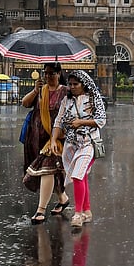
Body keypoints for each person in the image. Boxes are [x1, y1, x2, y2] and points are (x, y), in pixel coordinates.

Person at [54, 70, 106, 229]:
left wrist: (81, 123)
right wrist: (53, 139)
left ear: (84, 84)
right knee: (80, 177)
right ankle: (87, 211)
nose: (72, 87)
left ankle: (78, 214)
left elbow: (101, 120)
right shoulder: (66, 101)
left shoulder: (93, 99)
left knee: (77, 175)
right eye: (69, 84)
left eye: (75, 84)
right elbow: (58, 120)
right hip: (71, 144)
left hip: (88, 143)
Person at [20, 62, 69, 224]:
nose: (48, 76)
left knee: (47, 168)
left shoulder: (65, 92)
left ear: (59, 73)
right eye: (46, 73)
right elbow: (25, 103)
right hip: (36, 137)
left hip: (56, 138)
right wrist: (35, 90)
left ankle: (40, 211)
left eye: (52, 73)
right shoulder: (42, 90)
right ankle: (63, 198)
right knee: (51, 170)